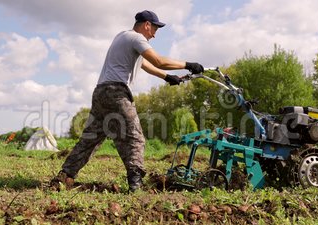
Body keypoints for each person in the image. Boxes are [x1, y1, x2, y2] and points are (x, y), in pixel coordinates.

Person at [51, 10, 204, 192]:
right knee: (134, 138)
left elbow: (144, 64)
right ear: (146, 24)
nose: (154, 34)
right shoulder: (137, 39)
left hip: (100, 93)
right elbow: (158, 61)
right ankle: (135, 184)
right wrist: (188, 64)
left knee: (90, 139)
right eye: (154, 29)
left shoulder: (122, 37)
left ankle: (65, 176)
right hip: (117, 93)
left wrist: (167, 77)